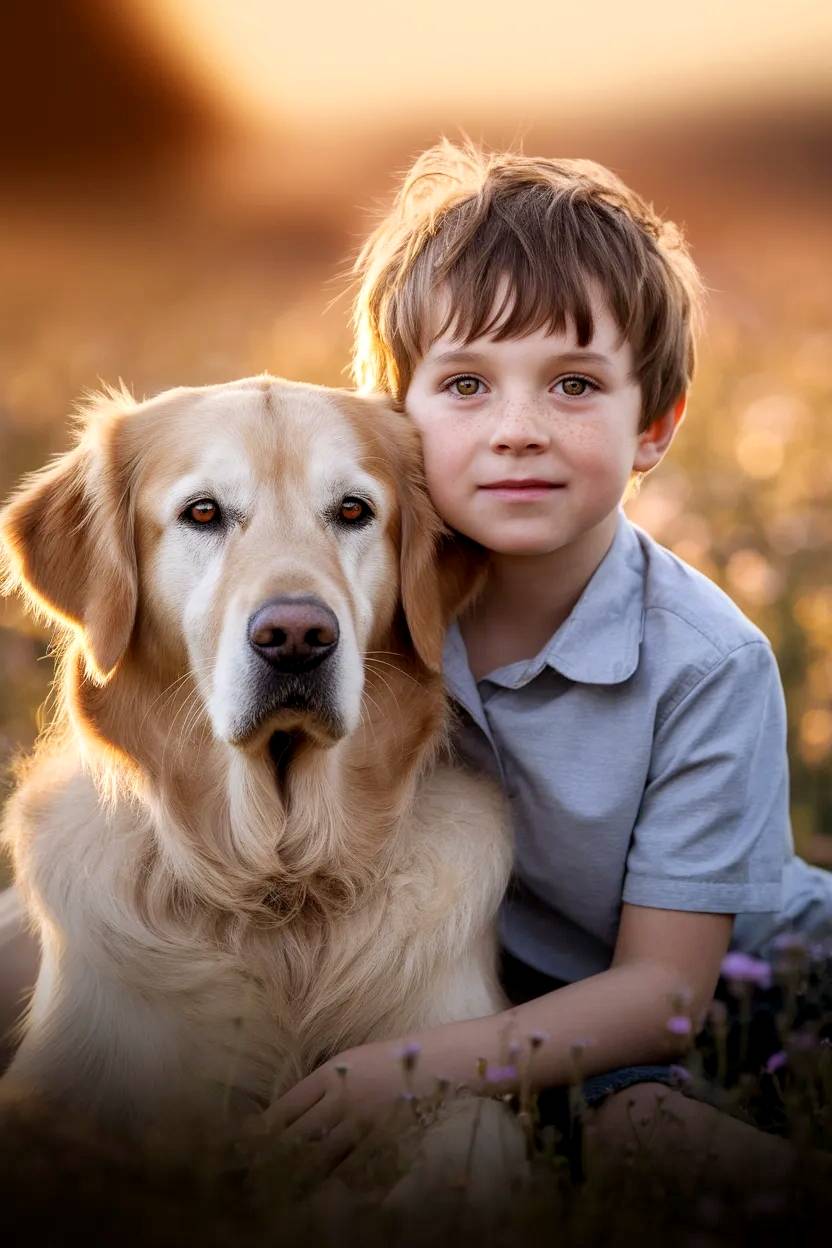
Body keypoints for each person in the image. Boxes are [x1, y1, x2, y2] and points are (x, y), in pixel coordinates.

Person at [263, 135, 832, 1186]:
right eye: (467, 384)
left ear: (653, 426)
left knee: (637, 1133)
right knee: (611, 1130)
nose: (517, 430)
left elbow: (664, 995)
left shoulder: (709, 661)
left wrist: (406, 1067)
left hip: (747, 972)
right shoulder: (353, 615)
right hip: (523, 1001)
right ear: (393, 422)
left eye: (573, 384)